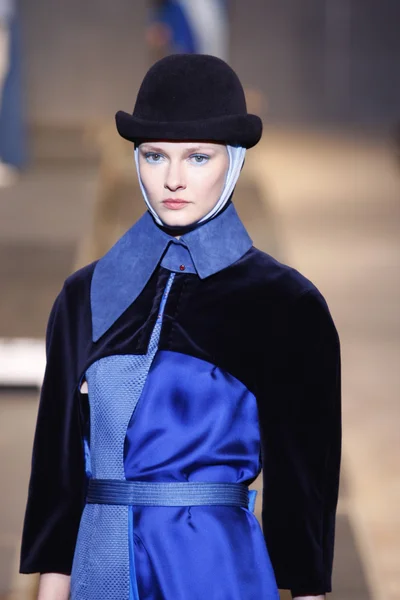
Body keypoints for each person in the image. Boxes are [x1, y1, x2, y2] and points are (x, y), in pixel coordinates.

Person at [20, 54, 341, 600]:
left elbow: (301, 495)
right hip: (100, 569)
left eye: (197, 157)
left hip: (214, 572)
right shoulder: (85, 297)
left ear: (234, 160)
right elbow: (59, 479)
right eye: (154, 156)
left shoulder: (286, 305)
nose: (172, 179)